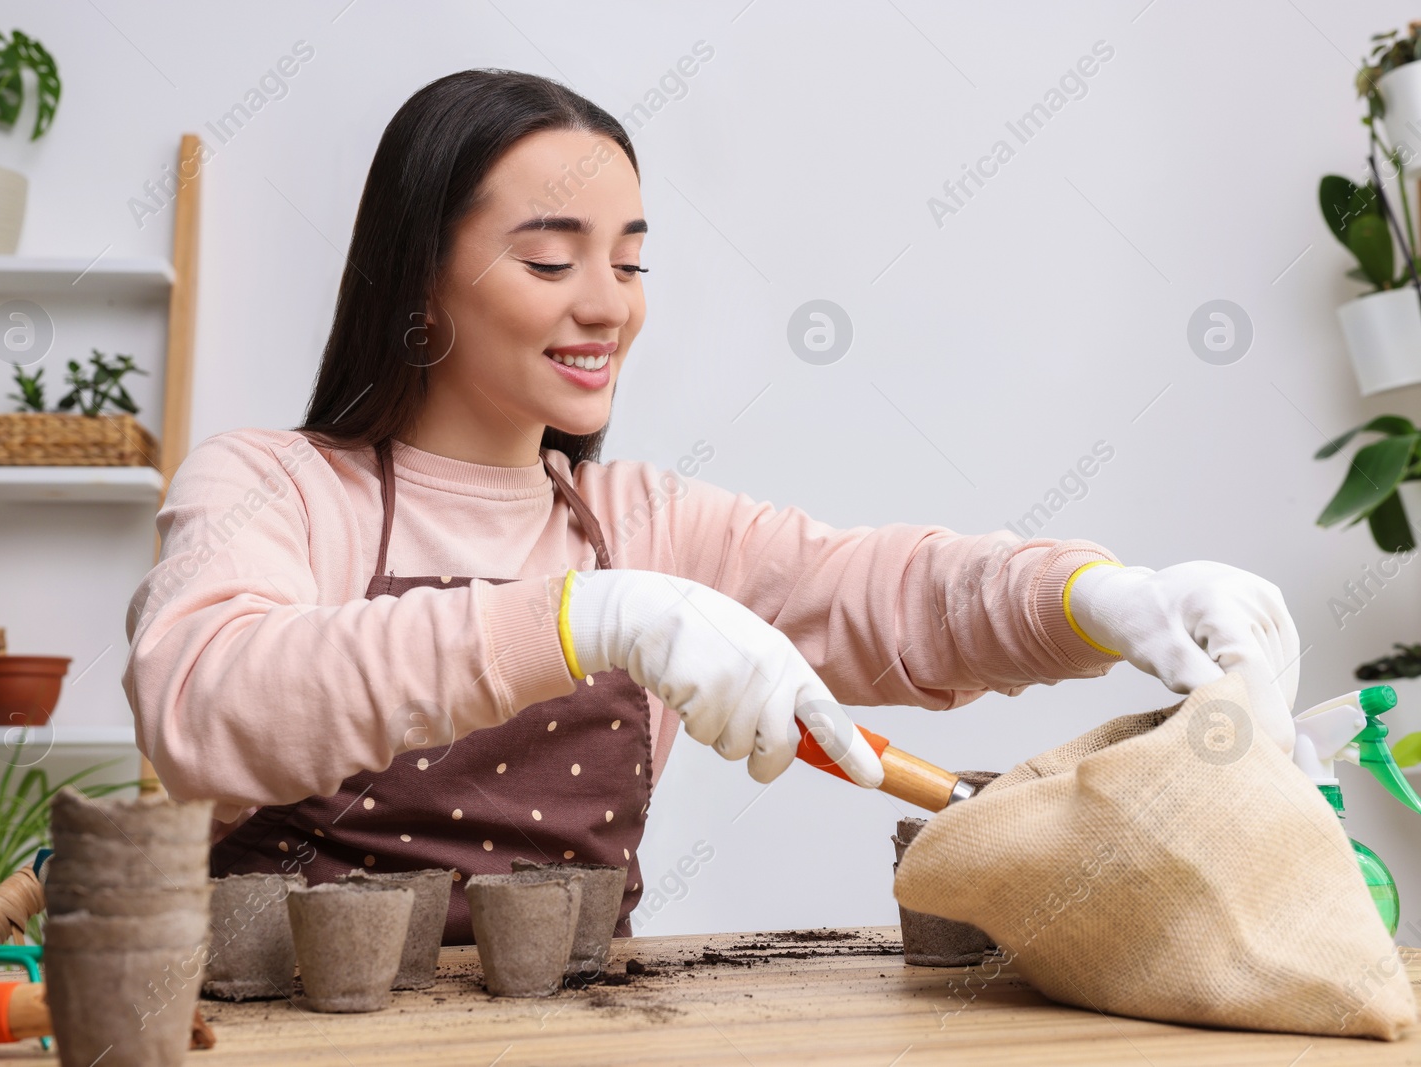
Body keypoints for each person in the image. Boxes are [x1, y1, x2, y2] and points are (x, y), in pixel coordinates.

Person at [122, 69, 1300, 944]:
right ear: (418, 276)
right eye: (550, 262)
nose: (606, 306)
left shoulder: (643, 523)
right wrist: (589, 620)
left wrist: (1100, 596)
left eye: (630, 264)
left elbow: (892, 591)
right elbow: (205, 700)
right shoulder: (275, 486)